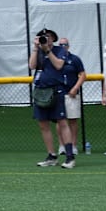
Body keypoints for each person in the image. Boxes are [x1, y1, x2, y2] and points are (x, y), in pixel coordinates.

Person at [28, 28, 75, 169]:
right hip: (41, 91)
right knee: (43, 124)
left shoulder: (59, 51)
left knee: (62, 122)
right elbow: (31, 66)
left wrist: (48, 50)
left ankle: (69, 156)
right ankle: (52, 155)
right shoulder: (39, 51)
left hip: (56, 90)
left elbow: (59, 65)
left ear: (53, 38)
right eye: (43, 36)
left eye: (48, 36)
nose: (45, 39)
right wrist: (36, 49)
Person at [57, 37, 87, 155]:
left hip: (71, 93)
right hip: (59, 93)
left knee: (72, 120)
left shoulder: (74, 59)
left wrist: (75, 88)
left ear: (68, 46)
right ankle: (62, 145)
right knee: (60, 120)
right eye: (60, 45)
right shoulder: (55, 59)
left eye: (65, 45)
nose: (63, 47)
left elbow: (83, 75)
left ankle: (73, 145)